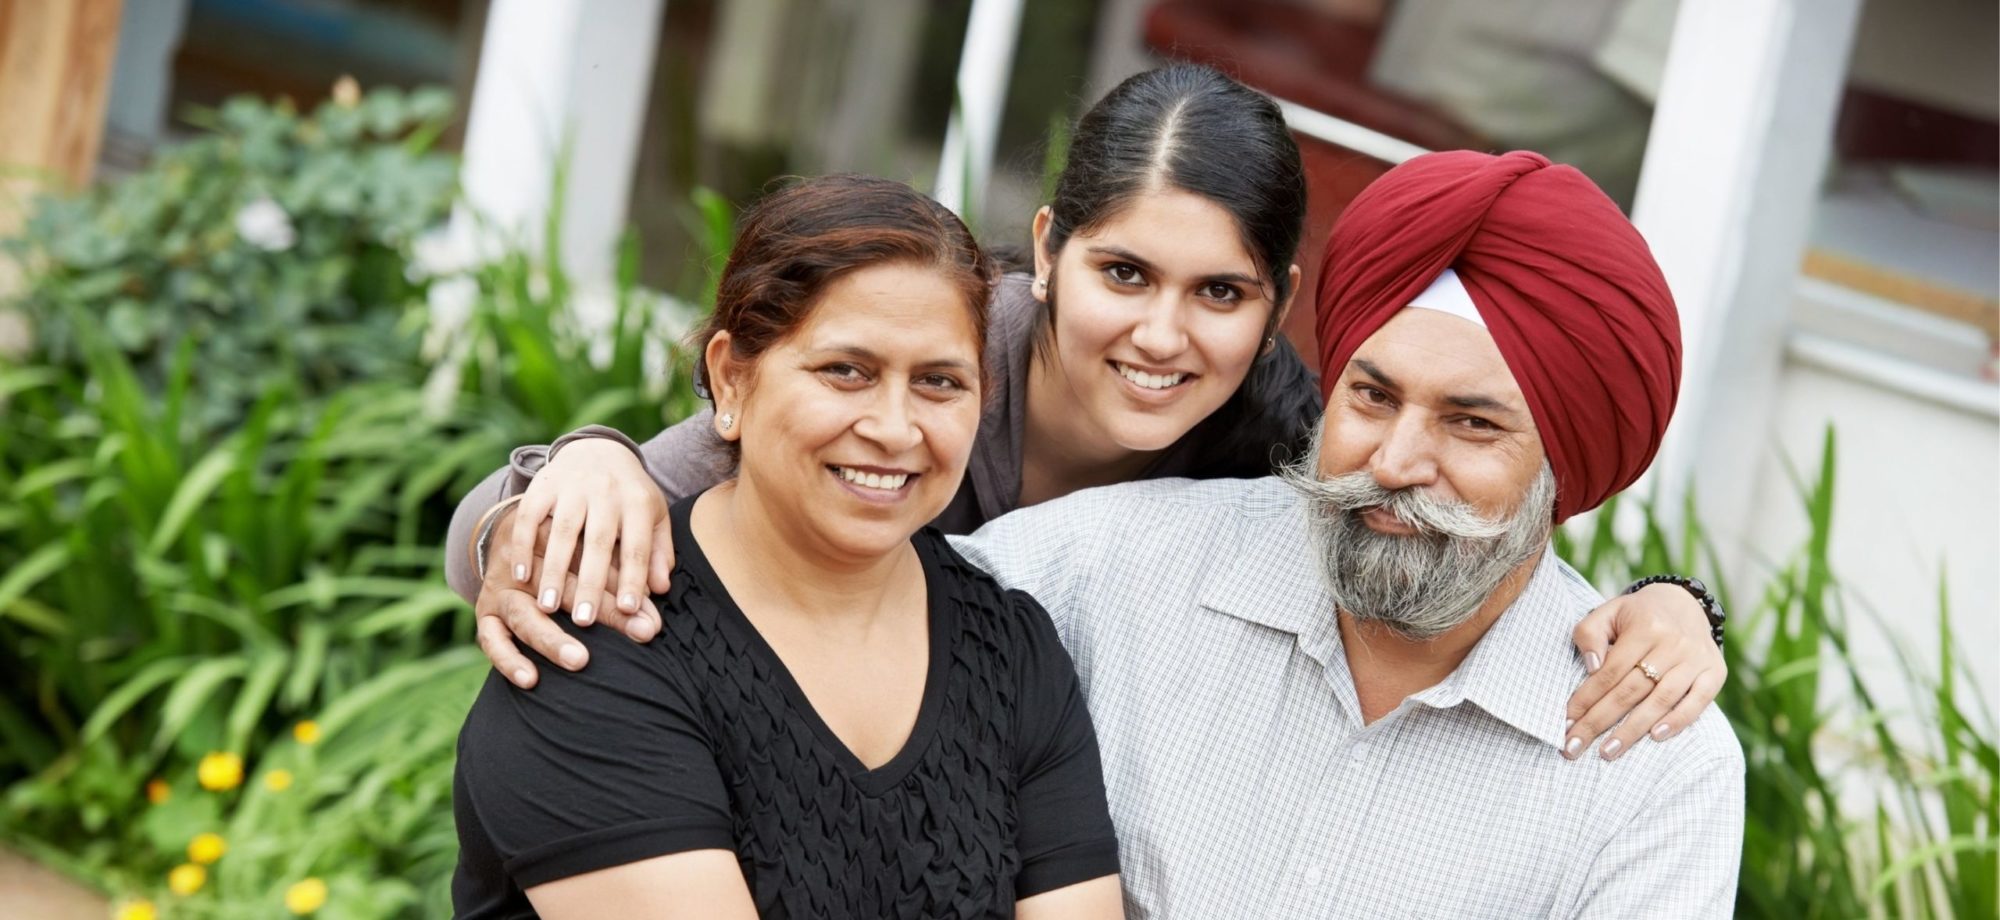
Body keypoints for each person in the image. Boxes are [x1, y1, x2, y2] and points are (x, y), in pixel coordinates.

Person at [449, 64, 1727, 758]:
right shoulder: (927, 374)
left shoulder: (1282, 448)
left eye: (1216, 291)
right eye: (1124, 275)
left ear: (1277, 300)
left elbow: (1456, 521)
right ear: (1049, 249)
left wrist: (1669, 604)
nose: (1162, 335)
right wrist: (577, 468)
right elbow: (533, 528)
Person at [949, 150, 1745, 916]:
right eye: (1371, 398)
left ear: (1563, 468)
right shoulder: (1096, 570)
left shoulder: (1656, 772)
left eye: (1470, 423)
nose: (1395, 462)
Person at [451, 176, 1123, 918]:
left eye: (938, 382)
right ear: (731, 379)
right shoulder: (601, 641)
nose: (896, 429)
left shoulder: (1014, 651)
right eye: (847, 371)